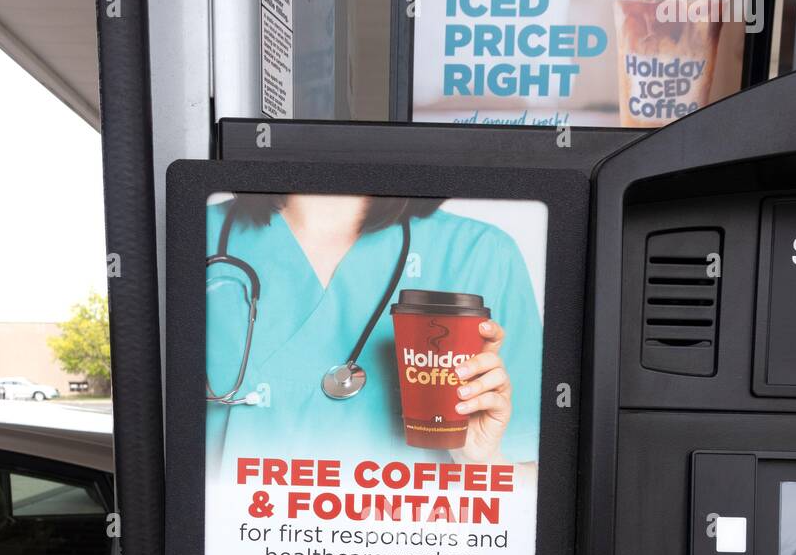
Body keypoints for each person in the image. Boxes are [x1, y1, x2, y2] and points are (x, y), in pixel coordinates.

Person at [206, 193, 543, 472]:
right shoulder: (197, 230)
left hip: (402, 552)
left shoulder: (481, 254)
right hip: (239, 541)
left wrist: (483, 463)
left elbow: (543, 503)